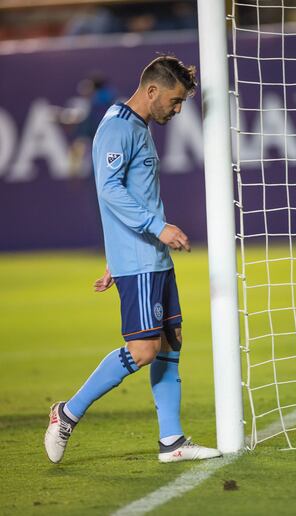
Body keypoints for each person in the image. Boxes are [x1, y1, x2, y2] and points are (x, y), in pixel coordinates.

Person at [44, 55, 222, 464]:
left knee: (170, 344)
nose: (177, 111)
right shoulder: (118, 127)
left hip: (150, 256)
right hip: (141, 258)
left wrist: (116, 253)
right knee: (143, 350)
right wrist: (156, 229)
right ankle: (66, 414)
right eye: (175, 102)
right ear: (153, 90)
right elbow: (108, 190)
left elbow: (132, 193)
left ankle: (171, 442)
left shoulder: (137, 126)